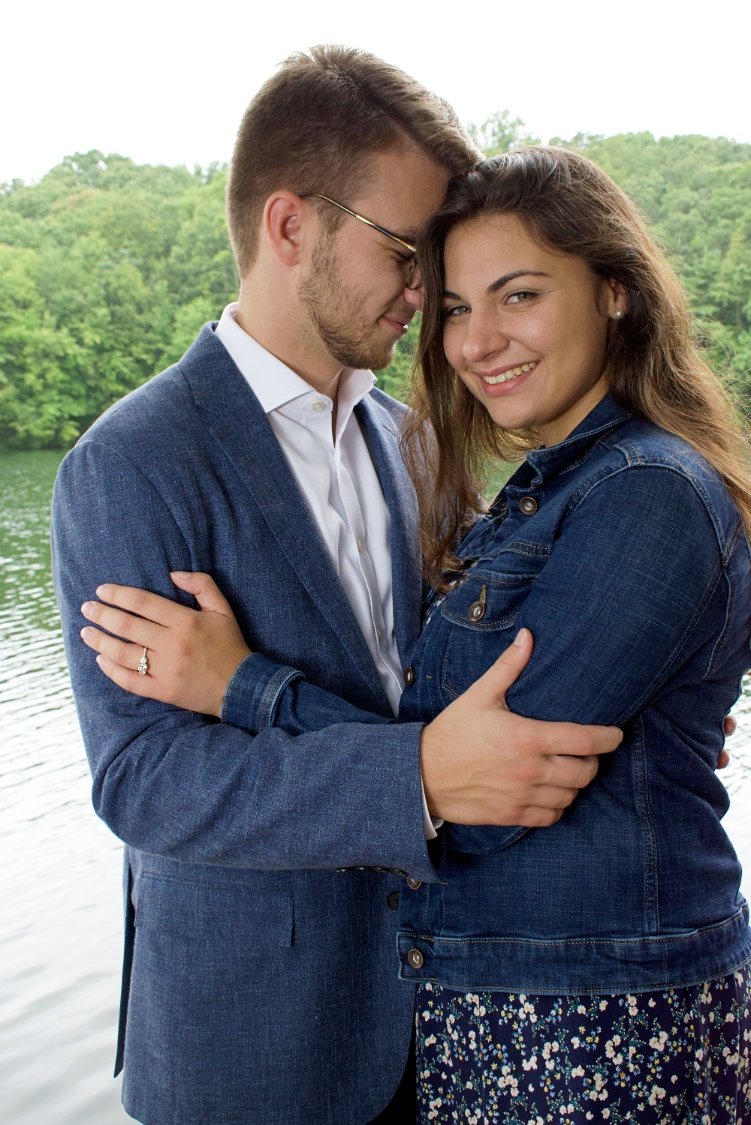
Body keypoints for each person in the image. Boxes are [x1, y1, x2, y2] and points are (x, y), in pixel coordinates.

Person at [83, 147, 751, 1122]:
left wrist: (244, 685)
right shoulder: (135, 461)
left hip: (579, 1016)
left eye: (516, 295)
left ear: (614, 290)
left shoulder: (628, 487)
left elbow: (483, 777)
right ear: (288, 228)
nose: (470, 339)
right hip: (337, 1034)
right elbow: (143, 778)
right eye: (448, 300)